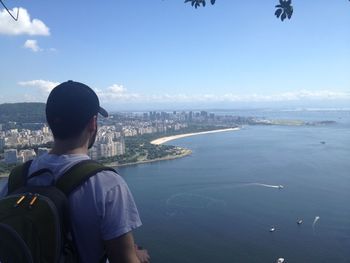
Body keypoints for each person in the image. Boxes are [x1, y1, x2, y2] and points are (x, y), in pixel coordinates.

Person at [0, 80, 150, 263]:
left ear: (49, 123)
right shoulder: (107, 184)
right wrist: (138, 256)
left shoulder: (16, 179)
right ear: (93, 123)